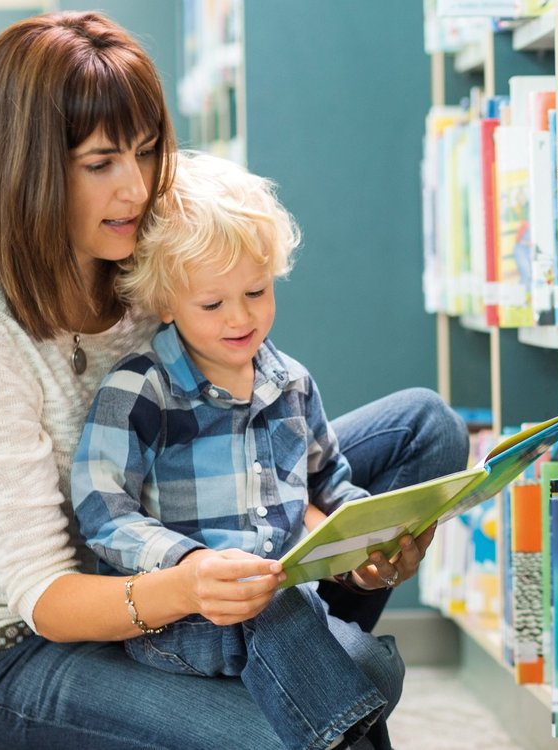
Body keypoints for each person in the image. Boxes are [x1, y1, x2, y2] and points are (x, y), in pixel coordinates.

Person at [0, 12, 466, 749]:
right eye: (99, 164)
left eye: (147, 150)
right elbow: (45, 597)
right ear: (29, 168)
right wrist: (194, 585)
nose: (135, 188)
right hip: (16, 647)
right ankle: (312, 681)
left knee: (424, 433)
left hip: (184, 555)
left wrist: (351, 544)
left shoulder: (144, 248)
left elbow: (246, 414)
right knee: (290, 731)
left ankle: (300, 662)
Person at [69, 151, 403, 748]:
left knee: (356, 658)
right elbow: (101, 507)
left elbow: (331, 481)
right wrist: (188, 565)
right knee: (362, 667)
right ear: (167, 303)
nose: (240, 317)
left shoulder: (292, 382)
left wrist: (369, 534)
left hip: (282, 605)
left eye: (255, 290)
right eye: (212, 304)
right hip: (179, 622)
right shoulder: (141, 387)